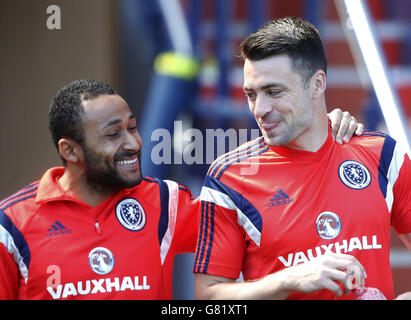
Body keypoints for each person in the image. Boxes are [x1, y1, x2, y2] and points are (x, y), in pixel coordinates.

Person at [0, 78, 360, 300]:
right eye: (113, 134)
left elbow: (266, 204)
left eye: (133, 127)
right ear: (70, 151)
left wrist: (314, 133)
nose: (134, 143)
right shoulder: (12, 226)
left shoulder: (164, 203)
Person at [193, 17, 411, 300]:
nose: (260, 109)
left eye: (274, 92)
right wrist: (288, 279)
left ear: (317, 84)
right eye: (251, 94)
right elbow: (208, 298)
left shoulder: (382, 154)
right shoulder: (230, 176)